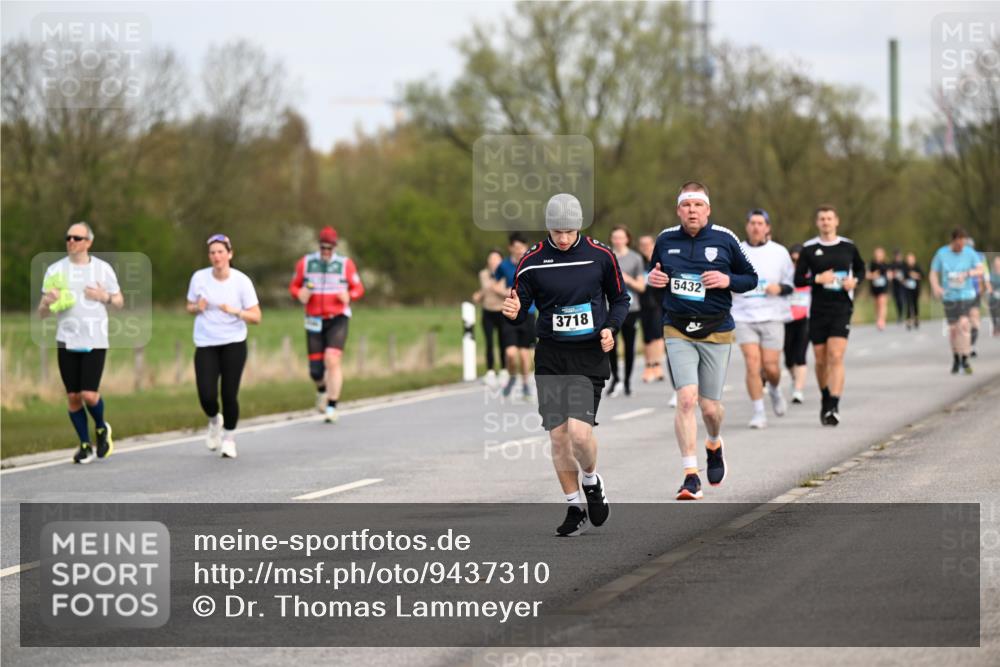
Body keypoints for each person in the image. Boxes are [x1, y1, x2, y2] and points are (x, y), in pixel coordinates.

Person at [502, 193, 627, 535]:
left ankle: (591, 480)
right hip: (552, 356)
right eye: (557, 231)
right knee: (558, 438)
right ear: (548, 228)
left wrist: (610, 328)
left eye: (570, 231)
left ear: (579, 226)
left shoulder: (600, 256)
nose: (563, 237)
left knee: (580, 436)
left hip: (588, 354)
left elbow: (620, 299)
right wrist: (513, 313)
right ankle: (574, 507)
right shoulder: (530, 261)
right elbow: (520, 306)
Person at [647, 182, 758, 501]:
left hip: (716, 329)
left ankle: (714, 443)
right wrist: (654, 280)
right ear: (678, 209)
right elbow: (656, 276)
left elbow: (750, 279)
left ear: (707, 209)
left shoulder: (725, 239)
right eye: (686, 205)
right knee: (686, 399)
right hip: (677, 328)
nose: (692, 210)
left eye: (698, 205)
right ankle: (690, 476)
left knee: (710, 408)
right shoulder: (665, 240)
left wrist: (727, 280)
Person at [38, 222, 124, 464]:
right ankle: (85, 445)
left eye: (77, 238)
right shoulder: (55, 270)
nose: (71, 242)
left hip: (95, 339)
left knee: (89, 394)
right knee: (74, 397)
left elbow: (119, 301)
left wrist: (103, 296)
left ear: (89, 242)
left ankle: (101, 427)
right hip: (66, 339)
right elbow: (41, 313)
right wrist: (46, 301)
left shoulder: (103, 269)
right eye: (68, 238)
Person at [187, 234, 262, 458]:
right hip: (206, 342)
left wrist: (236, 311)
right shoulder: (199, 278)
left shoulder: (241, 281)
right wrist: (196, 307)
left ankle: (229, 437)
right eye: (212, 253)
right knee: (206, 395)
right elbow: (189, 306)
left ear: (229, 254)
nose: (216, 256)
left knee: (229, 394)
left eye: (220, 252)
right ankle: (214, 420)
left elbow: (257, 317)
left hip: (233, 342)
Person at [793, 204, 865, 427]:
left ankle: (834, 404)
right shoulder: (809, 249)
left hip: (841, 308)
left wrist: (856, 281)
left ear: (837, 221)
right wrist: (817, 279)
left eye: (829, 218)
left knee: (836, 356)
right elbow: (798, 280)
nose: (826, 222)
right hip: (818, 311)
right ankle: (825, 396)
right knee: (821, 359)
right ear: (817, 223)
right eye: (822, 219)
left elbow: (862, 269)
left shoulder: (848, 247)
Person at [288, 226, 365, 423]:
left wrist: (350, 295)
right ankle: (322, 389)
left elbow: (358, 288)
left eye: (330, 248)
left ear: (335, 247)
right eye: (323, 248)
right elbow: (294, 286)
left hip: (338, 317)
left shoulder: (345, 264)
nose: (326, 252)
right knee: (315, 371)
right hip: (314, 319)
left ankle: (332, 406)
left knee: (332, 360)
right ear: (319, 246)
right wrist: (299, 294)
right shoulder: (305, 263)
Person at [731, 209, 794, 429]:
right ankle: (758, 411)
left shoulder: (780, 252)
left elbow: (791, 284)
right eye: (752, 223)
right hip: (743, 315)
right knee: (752, 364)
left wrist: (780, 288)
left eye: (760, 223)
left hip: (772, 315)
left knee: (771, 367)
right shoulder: (736, 250)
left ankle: (775, 389)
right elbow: (726, 279)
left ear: (767, 227)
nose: (756, 227)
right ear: (747, 226)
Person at [929, 229, 985, 375]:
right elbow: (933, 273)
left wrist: (967, 274)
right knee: (953, 330)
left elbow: (980, 270)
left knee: (964, 325)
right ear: (953, 241)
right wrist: (936, 287)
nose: (961, 247)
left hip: (966, 295)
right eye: (958, 245)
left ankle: (965, 357)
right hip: (949, 296)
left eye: (963, 244)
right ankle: (956, 357)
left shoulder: (969, 253)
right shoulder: (942, 253)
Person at [606, 225, 645, 397]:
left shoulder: (635, 258)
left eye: (621, 237)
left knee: (629, 346)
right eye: (615, 237)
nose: (618, 240)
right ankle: (615, 378)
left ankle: (628, 381)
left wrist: (626, 278)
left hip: (631, 308)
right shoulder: (606, 256)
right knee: (610, 346)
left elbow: (641, 286)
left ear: (627, 239)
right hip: (609, 308)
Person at [496, 232, 535, 398]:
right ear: (510, 248)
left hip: (529, 313)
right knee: (511, 354)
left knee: (525, 356)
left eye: (522, 248)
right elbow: (495, 285)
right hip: (510, 312)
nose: (520, 251)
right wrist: (505, 291)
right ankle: (512, 377)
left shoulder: (532, 263)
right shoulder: (503, 266)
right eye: (516, 248)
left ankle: (525, 384)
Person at [473, 249, 506, 386]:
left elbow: (503, 291)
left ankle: (504, 371)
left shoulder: (507, 274)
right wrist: (480, 295)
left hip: (502, 311)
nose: (493, 262)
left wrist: (497, 289)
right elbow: (487, 288)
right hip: (488, 312)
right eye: (491, 259)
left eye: (496, 259)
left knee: (503, 342)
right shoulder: (483, 274)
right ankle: (490, 371)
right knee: (489, 343)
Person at [637, 234, 667, 384]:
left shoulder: (659, 260)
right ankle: (648, 366)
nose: (645, 247)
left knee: (658, 334)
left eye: (648, 244)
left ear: (653, 244)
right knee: (647, 336)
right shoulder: (638, 262)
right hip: (642, 303)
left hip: (658, 303)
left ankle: (657, 365)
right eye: (642, 244)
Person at [784, 243, 811, 404]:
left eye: (799, 261)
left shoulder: (810, 276)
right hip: (786, 319)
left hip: (804, 319)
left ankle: (798, 390)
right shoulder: (784, 276)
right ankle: (795, 378)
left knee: (800, 355)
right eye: (793, 260)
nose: (796, 264)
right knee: (788, 359)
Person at [967, 238, 987, 357]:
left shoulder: (980, 257)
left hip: (974, 293)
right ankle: (969, 345)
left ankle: (972, 345)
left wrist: (983, 287)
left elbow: (984, 274)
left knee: (973, 320)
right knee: (968, 320)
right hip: (963, 294)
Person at [867, 246, 891, 331]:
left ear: (883, 255)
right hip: (874, 287)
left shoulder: (886, 264)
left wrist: (889, 276)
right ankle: (878, 318)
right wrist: (873, 275)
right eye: (877, 253)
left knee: (882, 302)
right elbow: (867, 275)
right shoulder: (871, 264)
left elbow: (890, 275)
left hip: (883, 287)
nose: (878, 255)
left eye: (880, 253)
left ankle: (882, 320)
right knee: (877, 304)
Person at [901, 252, 923, 330]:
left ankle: (916, 318)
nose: (910, 261)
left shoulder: (917, 267)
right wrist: (908, 277)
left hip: (916, 289)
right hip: (907, 289)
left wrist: (915, 275)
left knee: (915, 303)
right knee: (909, 304)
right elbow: (902, 278)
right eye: (909, 260)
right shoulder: (905, 268)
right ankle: (909, 320)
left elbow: (922, 275)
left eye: (911, 259)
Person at [890, 248, 907, 325]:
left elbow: (907, 273)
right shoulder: (892, 264)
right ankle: (899, 316)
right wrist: (893, 274)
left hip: (902, 286)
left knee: (901, 300)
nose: (897, 257)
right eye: (896, 256)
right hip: (895, 286)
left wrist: (904, 279)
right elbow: (890, 274)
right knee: (897, 301)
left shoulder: (904, 264)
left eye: (898, 255)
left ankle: (903, 315)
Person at [989, 256, 1000, 336]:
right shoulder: (991, 274)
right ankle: (995, 327)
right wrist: (991, 291)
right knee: (994, 312)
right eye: (996, 263)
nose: (997, 265)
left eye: (998, 263)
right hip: (994, 296)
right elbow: (988, 284)